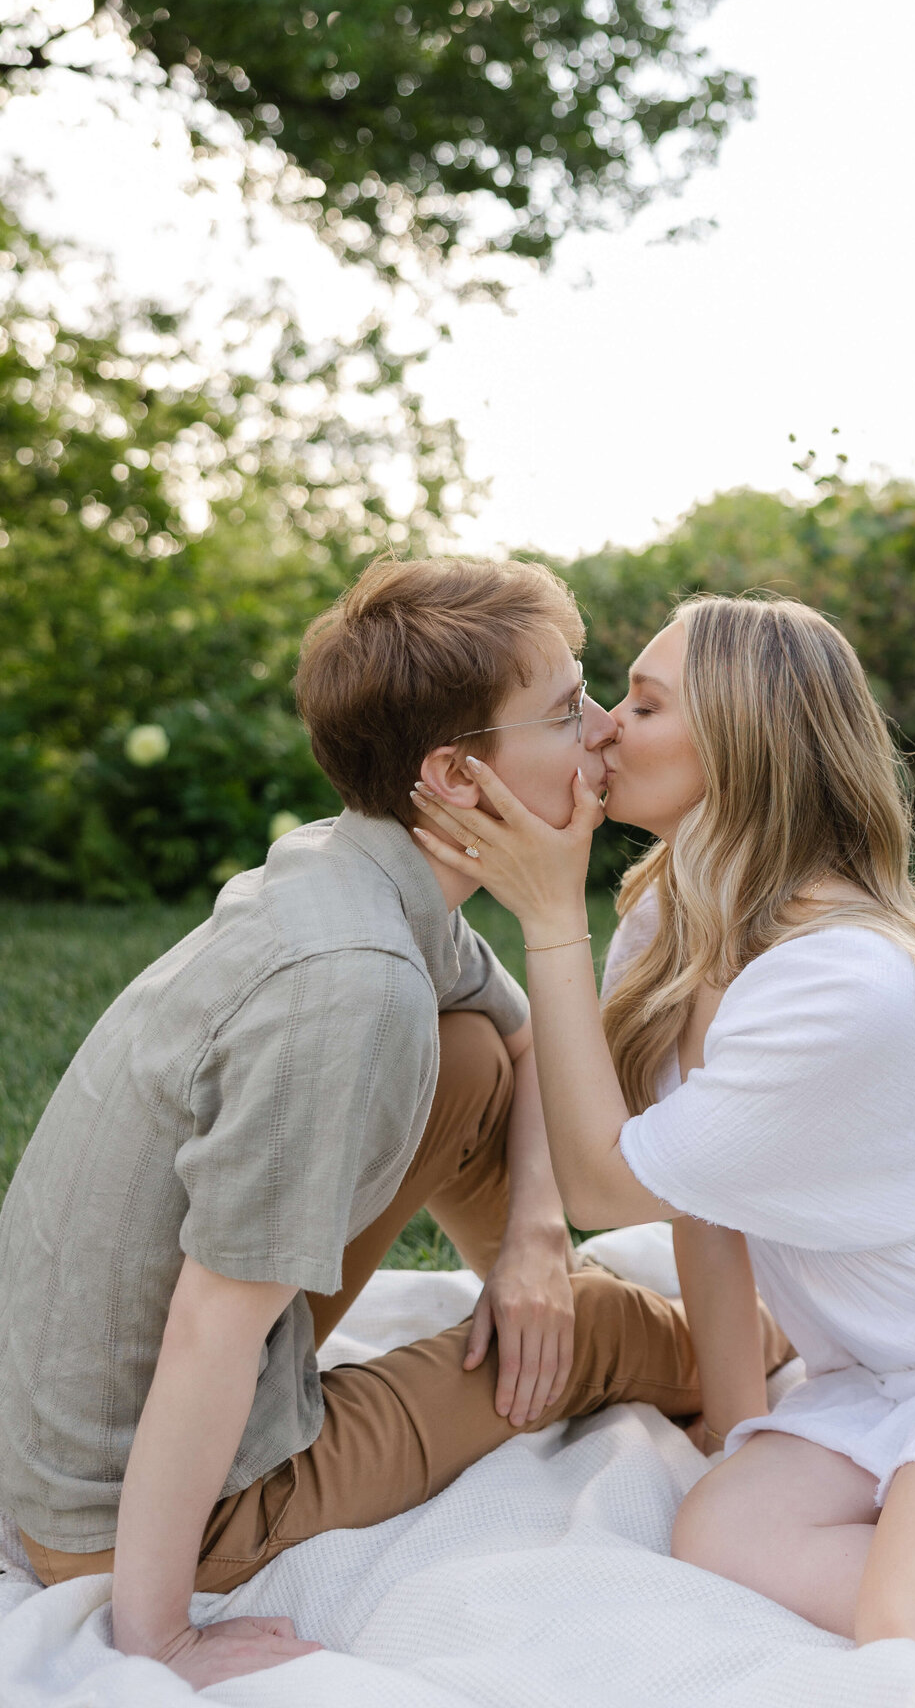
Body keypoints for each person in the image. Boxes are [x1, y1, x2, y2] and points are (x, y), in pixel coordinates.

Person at [0, 558, 789, 1691]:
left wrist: (531, 1245)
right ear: (458, 775)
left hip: (76, 1397)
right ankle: (759, 1350)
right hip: (125, 1505)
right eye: (569, 710)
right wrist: (158, 1637)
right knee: (625, 1333)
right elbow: (213, 1329)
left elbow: (512, 1049)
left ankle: (538, 1321)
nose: (605, 729)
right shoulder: (351, 988)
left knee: (465, 1056)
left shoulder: (362, 868)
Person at [412, 592, 915, 1690]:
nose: (600, 727)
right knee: (725, 1532)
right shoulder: (669, 919)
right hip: (886, 1360)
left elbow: (603, 1182)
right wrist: (739, 1433)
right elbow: (704, 1202)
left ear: (742, 744)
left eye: (641, 705)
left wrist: (549, 916)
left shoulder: (841, 982)